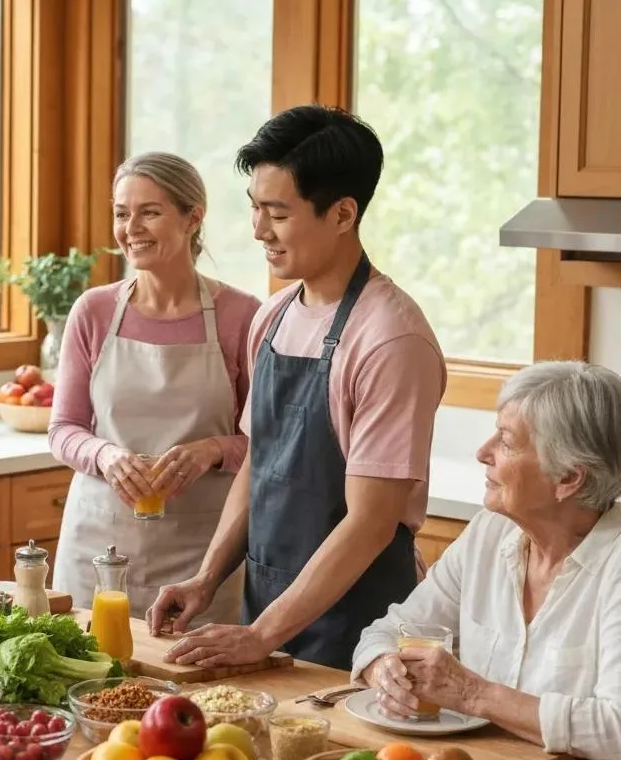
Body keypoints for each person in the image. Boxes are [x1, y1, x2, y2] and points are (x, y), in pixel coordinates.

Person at [148, 105, 446, 670]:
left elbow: (369, 524)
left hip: (359, 630)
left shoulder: (390, 341)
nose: (259, 229)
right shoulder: (275, 317)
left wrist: (261, 635)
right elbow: (259, 462)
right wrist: (208, 577)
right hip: (267, 612)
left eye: (278, 213)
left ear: (341, 213)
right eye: (255, 208)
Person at [350, 360, 621, 760]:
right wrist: (381, 668)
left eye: (505, 440)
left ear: (568, 478)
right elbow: (391, 628)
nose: (481, 453)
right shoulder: (491, 533)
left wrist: (473, 692)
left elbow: (618, 726)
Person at [50, 152, 261, 619]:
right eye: (122, 214)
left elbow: (268, 444)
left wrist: (211, 449)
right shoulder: (94, 311)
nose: (131, 228)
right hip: (99, 545)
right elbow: (63, 428)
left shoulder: (242, 316)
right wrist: (106, 456)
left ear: (193, 217)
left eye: (150, 212)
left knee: (198, 690)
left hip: (202, 555)